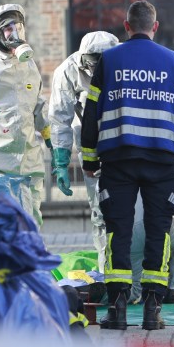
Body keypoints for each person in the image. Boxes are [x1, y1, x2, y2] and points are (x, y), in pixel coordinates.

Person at [80, 0, 174, 331]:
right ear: (155, 27)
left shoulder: (108, 61)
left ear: (126, 26)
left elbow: (92, 112)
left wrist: (89, 158)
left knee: (117, 230)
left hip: (117, 157)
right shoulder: (172, 62)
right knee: (158, 231)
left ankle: (117, 310)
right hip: (161, 161)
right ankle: (152, 310)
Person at [48, 30, 120, 271]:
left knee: (133, 211)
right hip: (93, 150)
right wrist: (61, 160)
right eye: (91, 64)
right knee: (101, 210)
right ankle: (107, 271)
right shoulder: (67, 72)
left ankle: (134, 272)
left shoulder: (125, 63)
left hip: (126, 144)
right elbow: (60, 118)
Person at [0, 3, 51, 226]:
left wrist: (50, 137)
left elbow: (37, 103)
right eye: (7, 28)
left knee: (31, 218)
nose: (13, 33)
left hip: (28, 158)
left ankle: (30, 259)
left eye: (17, 26)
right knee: (7, 223)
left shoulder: (28, 65)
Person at [129, 192, 174, 305]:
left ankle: (100, 296)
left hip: (125, 229)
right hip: (158, 224)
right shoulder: (165, 173)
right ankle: (173, 289)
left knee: (133, 288)